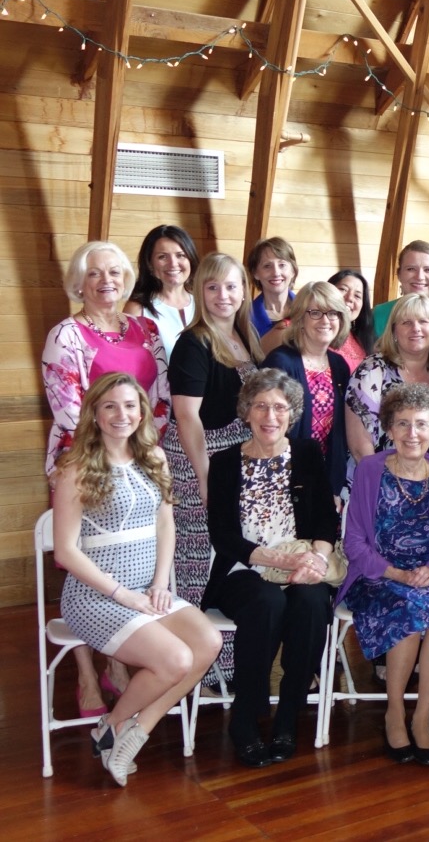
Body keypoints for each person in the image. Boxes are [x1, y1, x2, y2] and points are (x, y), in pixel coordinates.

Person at [51, 374, 222, 786]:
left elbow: (166, 524)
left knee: (207, 643)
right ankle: (116, 727)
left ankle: (126, 731)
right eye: (109, 405)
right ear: (94, 411)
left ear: (142, 411)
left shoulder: (154, 457)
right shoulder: (77, 466)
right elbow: (65, 552)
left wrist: (161, 583)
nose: (121, 415)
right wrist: (123, 595)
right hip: (97, 596)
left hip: (148, 590)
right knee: (175, 660)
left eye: (130, 405)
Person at [44, 240, 172, 716]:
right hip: (82, 458)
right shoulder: (66, 335)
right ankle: (85, 674)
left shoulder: (145, 329)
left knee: (132, 553)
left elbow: (158, 396)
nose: (106, 282)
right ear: (80, 282)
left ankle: (118, 661)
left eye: (115, 273)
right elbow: (70, 412)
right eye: (95, 274)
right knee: (79, 560)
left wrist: (142, 452)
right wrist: (111, 455)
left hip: (139, 452)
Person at [205, 369, 339, 767]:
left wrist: (315, 559)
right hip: (244, 571)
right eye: (261, 406)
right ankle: (245, 717)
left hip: (302, 562)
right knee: (266, 602)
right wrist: (277, 560)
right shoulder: (225, 461)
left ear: (292, 413)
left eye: (280, 407)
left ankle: (287, 717)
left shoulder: (308, 453)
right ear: (246, 411)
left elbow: (324, 520)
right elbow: (223, 535)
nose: (270, 415)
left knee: (313, 603)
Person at [339, 384, 429, 765]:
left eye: (421, 425)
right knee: (408, 613)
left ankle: (422, 717)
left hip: (428, 576)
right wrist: (393, 572)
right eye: (403, 424)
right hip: (375, 576)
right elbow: (354, 541)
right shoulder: (370, 470)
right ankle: (395, 712)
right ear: (388, 430)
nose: (412, 433)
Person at [163, 252, 262, 688]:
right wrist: (206, 479)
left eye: (232, 286)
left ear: (244, 291)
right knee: (195, 558)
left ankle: (234, 660)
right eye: (213, 287)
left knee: (228, 557)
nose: (224, 295)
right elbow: (187, 416)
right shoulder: (195, 341)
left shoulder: (243, 335)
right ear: (200, 292)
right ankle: (195, 662)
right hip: (200, 457)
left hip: (235, 458)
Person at [345, 293, 429, 475]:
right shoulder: (372, 370)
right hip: (374, 481)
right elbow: (360, 445)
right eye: (406, 323)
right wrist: (387, 486)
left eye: (424, 321)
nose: (416, 328)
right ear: (394, 331)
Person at [261, 281, 353, 499]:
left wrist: (332, 487)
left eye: (333, 313)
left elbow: (339, 433)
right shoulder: (280, 362)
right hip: (282, 481)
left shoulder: (339, 365)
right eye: (315, 312)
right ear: (300, 318)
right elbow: (265, 426)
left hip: (325, 481)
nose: (325, 320)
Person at [372, 240, 429, 362]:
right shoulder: (378, 314)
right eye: (411, 269)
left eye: (428, 270)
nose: (419, 276)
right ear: (399, 274)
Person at [124, 225, 198, 356]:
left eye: (180, 255)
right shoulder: (137, 310)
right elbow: (131, 362)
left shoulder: (204, 303)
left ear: (190, 260)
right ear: (150, 264)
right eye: (163, 257)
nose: (173, 263)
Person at [247, 236, 298, 342]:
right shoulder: (245, 317)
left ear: (293, 270)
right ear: (256, 273)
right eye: (267, 266)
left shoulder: (308, 309)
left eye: (282, 265)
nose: (276, 273)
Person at [328, 269, 375, 372]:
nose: (349, 298)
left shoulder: (363, 341)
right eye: (343, 289)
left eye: (357, 295)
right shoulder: (316, 332)